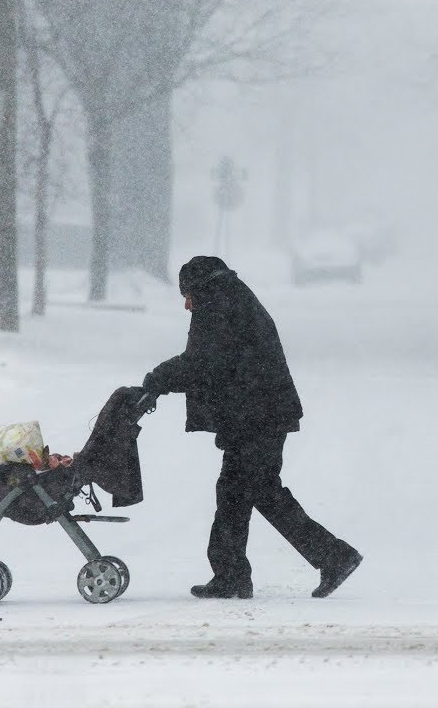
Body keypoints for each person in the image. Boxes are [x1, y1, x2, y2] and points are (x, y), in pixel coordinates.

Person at [141, 256, 363, 599]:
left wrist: (157, 380)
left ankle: (332, 556)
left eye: (186, 295)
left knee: (255, 491)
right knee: (240, 491)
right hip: (257, 412)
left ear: (198, 287)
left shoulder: (218, 303)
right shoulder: (229, 296)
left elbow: (203, 362)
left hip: (257, 414)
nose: (186, 304)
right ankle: (233, 574)